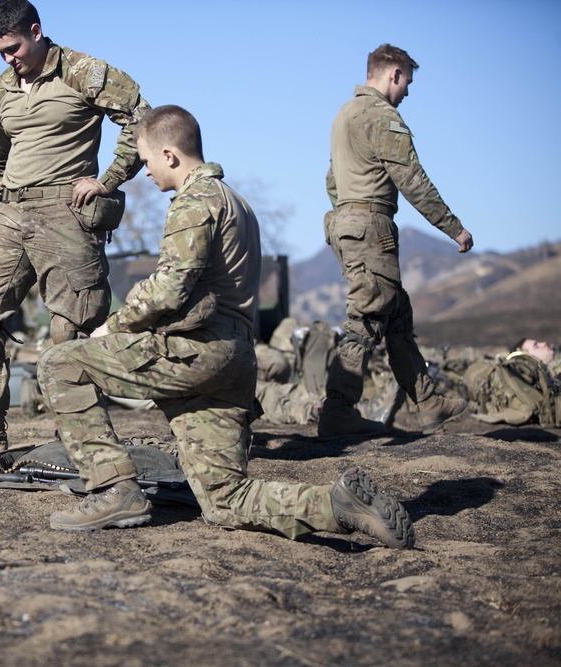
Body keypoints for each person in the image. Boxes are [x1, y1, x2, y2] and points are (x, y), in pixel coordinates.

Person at [39, 105, 415, 549]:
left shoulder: (195, 202)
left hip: (194, 352)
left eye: (145, 161)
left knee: (59, 364)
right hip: (233, 359)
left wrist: (114, 326)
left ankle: (112, 490)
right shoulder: (238, 203)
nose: (144, 173)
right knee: (224, 499)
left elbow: (170, 288)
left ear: (170, 155)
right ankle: (337, 504)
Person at [0, 0, 150, 470]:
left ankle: (78, 437)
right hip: (11, 215)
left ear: (36, 32)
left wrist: (109, 178)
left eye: (13, 48)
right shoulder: (2, 88)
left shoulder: (85, 71)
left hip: (67, 211)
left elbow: (142, 119)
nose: (8, 59)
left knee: (70, 329)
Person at [319, 44, 474, 438]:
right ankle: (337, 410)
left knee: (396, 313)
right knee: (368, 319)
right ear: (394, 74)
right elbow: (412, 180)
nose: (407, 91)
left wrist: (348, 220)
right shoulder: (380, 115)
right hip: (370, 226)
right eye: (407, 80)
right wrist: (453, 227)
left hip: (346, 222)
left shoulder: (344, 114)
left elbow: (332, 180)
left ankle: (428, 403)